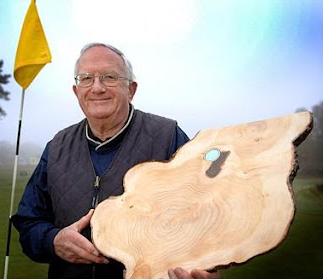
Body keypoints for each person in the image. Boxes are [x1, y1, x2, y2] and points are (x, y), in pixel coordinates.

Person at [12, 43, 220, 279]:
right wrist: (52, 240)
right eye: (86, 78)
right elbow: (29, 223)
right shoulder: (57, 146)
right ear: (76, 90)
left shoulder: (167, 136)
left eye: (109, 77)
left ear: (131, 89)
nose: (97, 88)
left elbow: (206, 214)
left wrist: (206, 267)